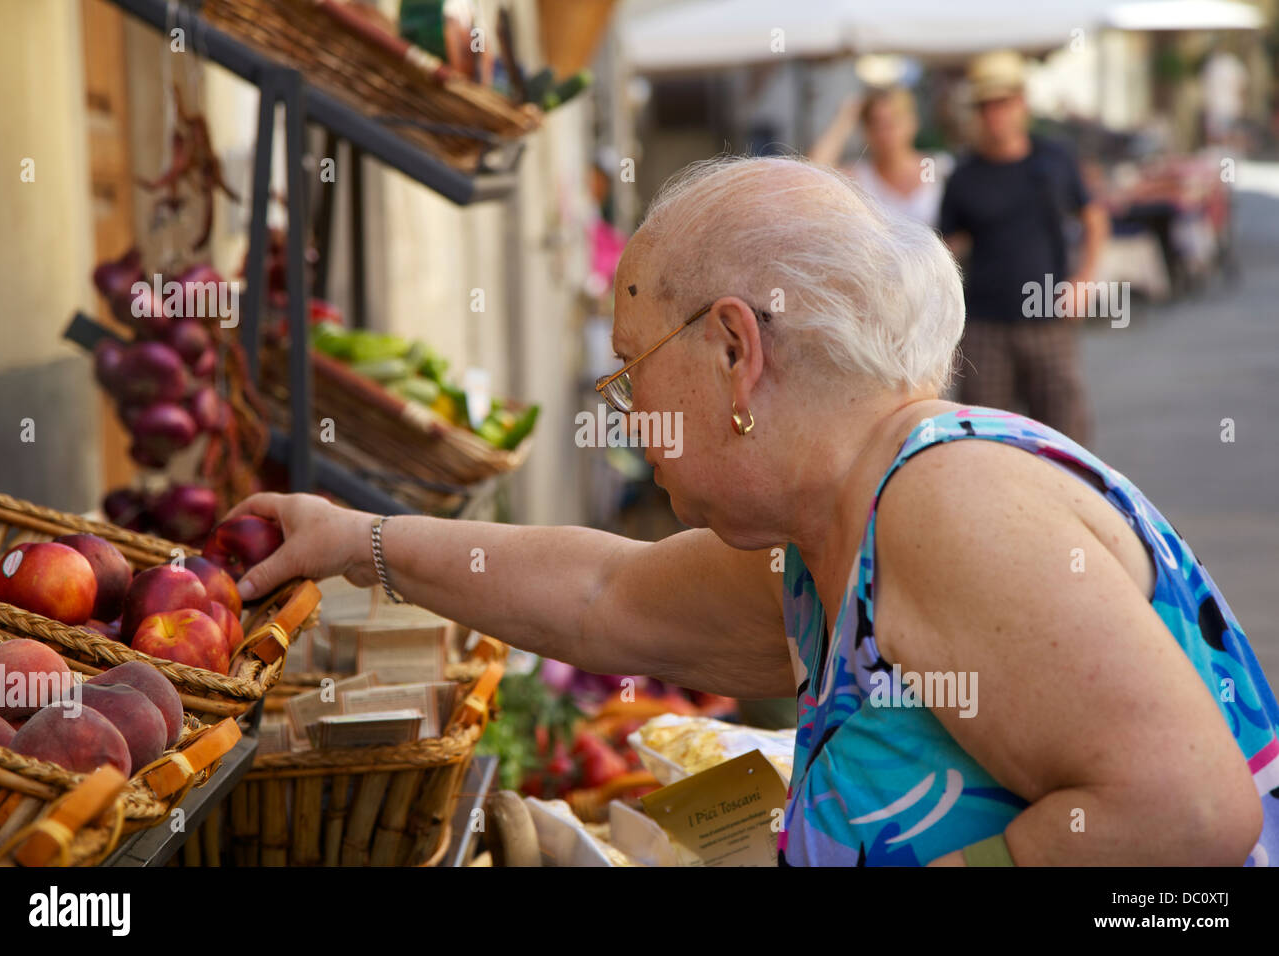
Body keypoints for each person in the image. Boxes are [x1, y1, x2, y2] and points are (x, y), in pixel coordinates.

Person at [229, 155, 1277, 867]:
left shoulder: (944, 500)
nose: (628, 416)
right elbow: (607, 593)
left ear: (735, 350)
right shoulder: (838, 530)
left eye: (628, 375)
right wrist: (356, 542)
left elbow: (1182, 810)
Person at [939, 50, 1110, 446]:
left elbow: (1094, 217)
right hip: (983, 325)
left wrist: (1084, 280)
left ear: (1021, 104)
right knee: (983, 440)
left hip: (1047, 316)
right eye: (986, 106)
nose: (995, 115)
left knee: (1066, 438)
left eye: (1002, 103)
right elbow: (946, 250)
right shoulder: (964, 176)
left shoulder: (1054, 159)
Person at [809, 86, 946, 228]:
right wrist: (845, 118)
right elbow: (811, 177)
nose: (886, 133)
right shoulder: (859, 177)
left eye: (894, 121)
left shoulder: (935, 168)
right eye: (876, 124)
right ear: (866, 131)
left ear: (912, 122)